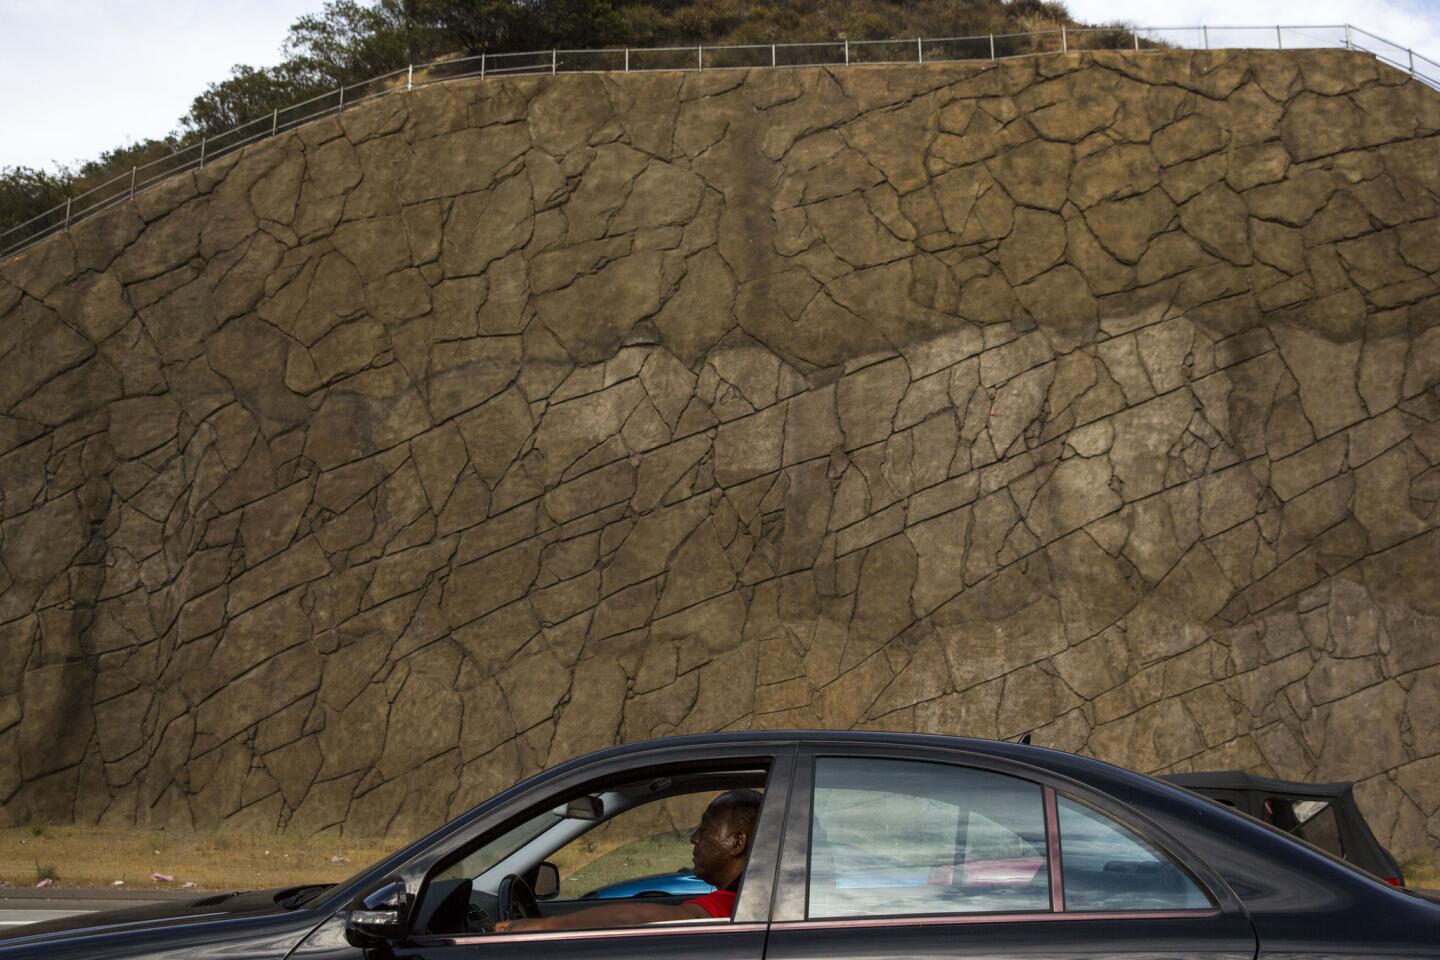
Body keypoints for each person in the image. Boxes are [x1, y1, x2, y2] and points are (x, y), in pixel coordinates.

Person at [494, 789, 762, 933]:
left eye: (705, 830)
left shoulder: (730, 905)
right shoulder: (753, 899)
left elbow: (631, 917)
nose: (694, 838)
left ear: (736, 843)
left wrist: (542, 926)